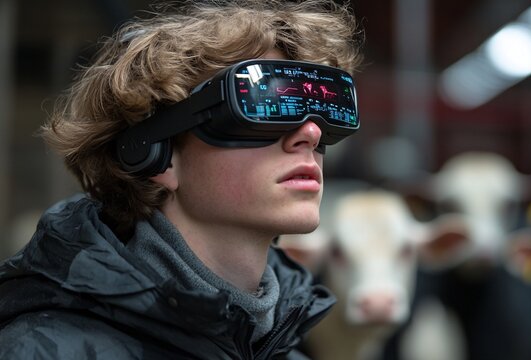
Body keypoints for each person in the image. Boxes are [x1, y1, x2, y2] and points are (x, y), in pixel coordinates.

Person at [0, 0, 363, 358]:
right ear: (155, 152)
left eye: (324, 111)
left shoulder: (289, 351)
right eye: (264, 104)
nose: (312, 134)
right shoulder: (42, 350)